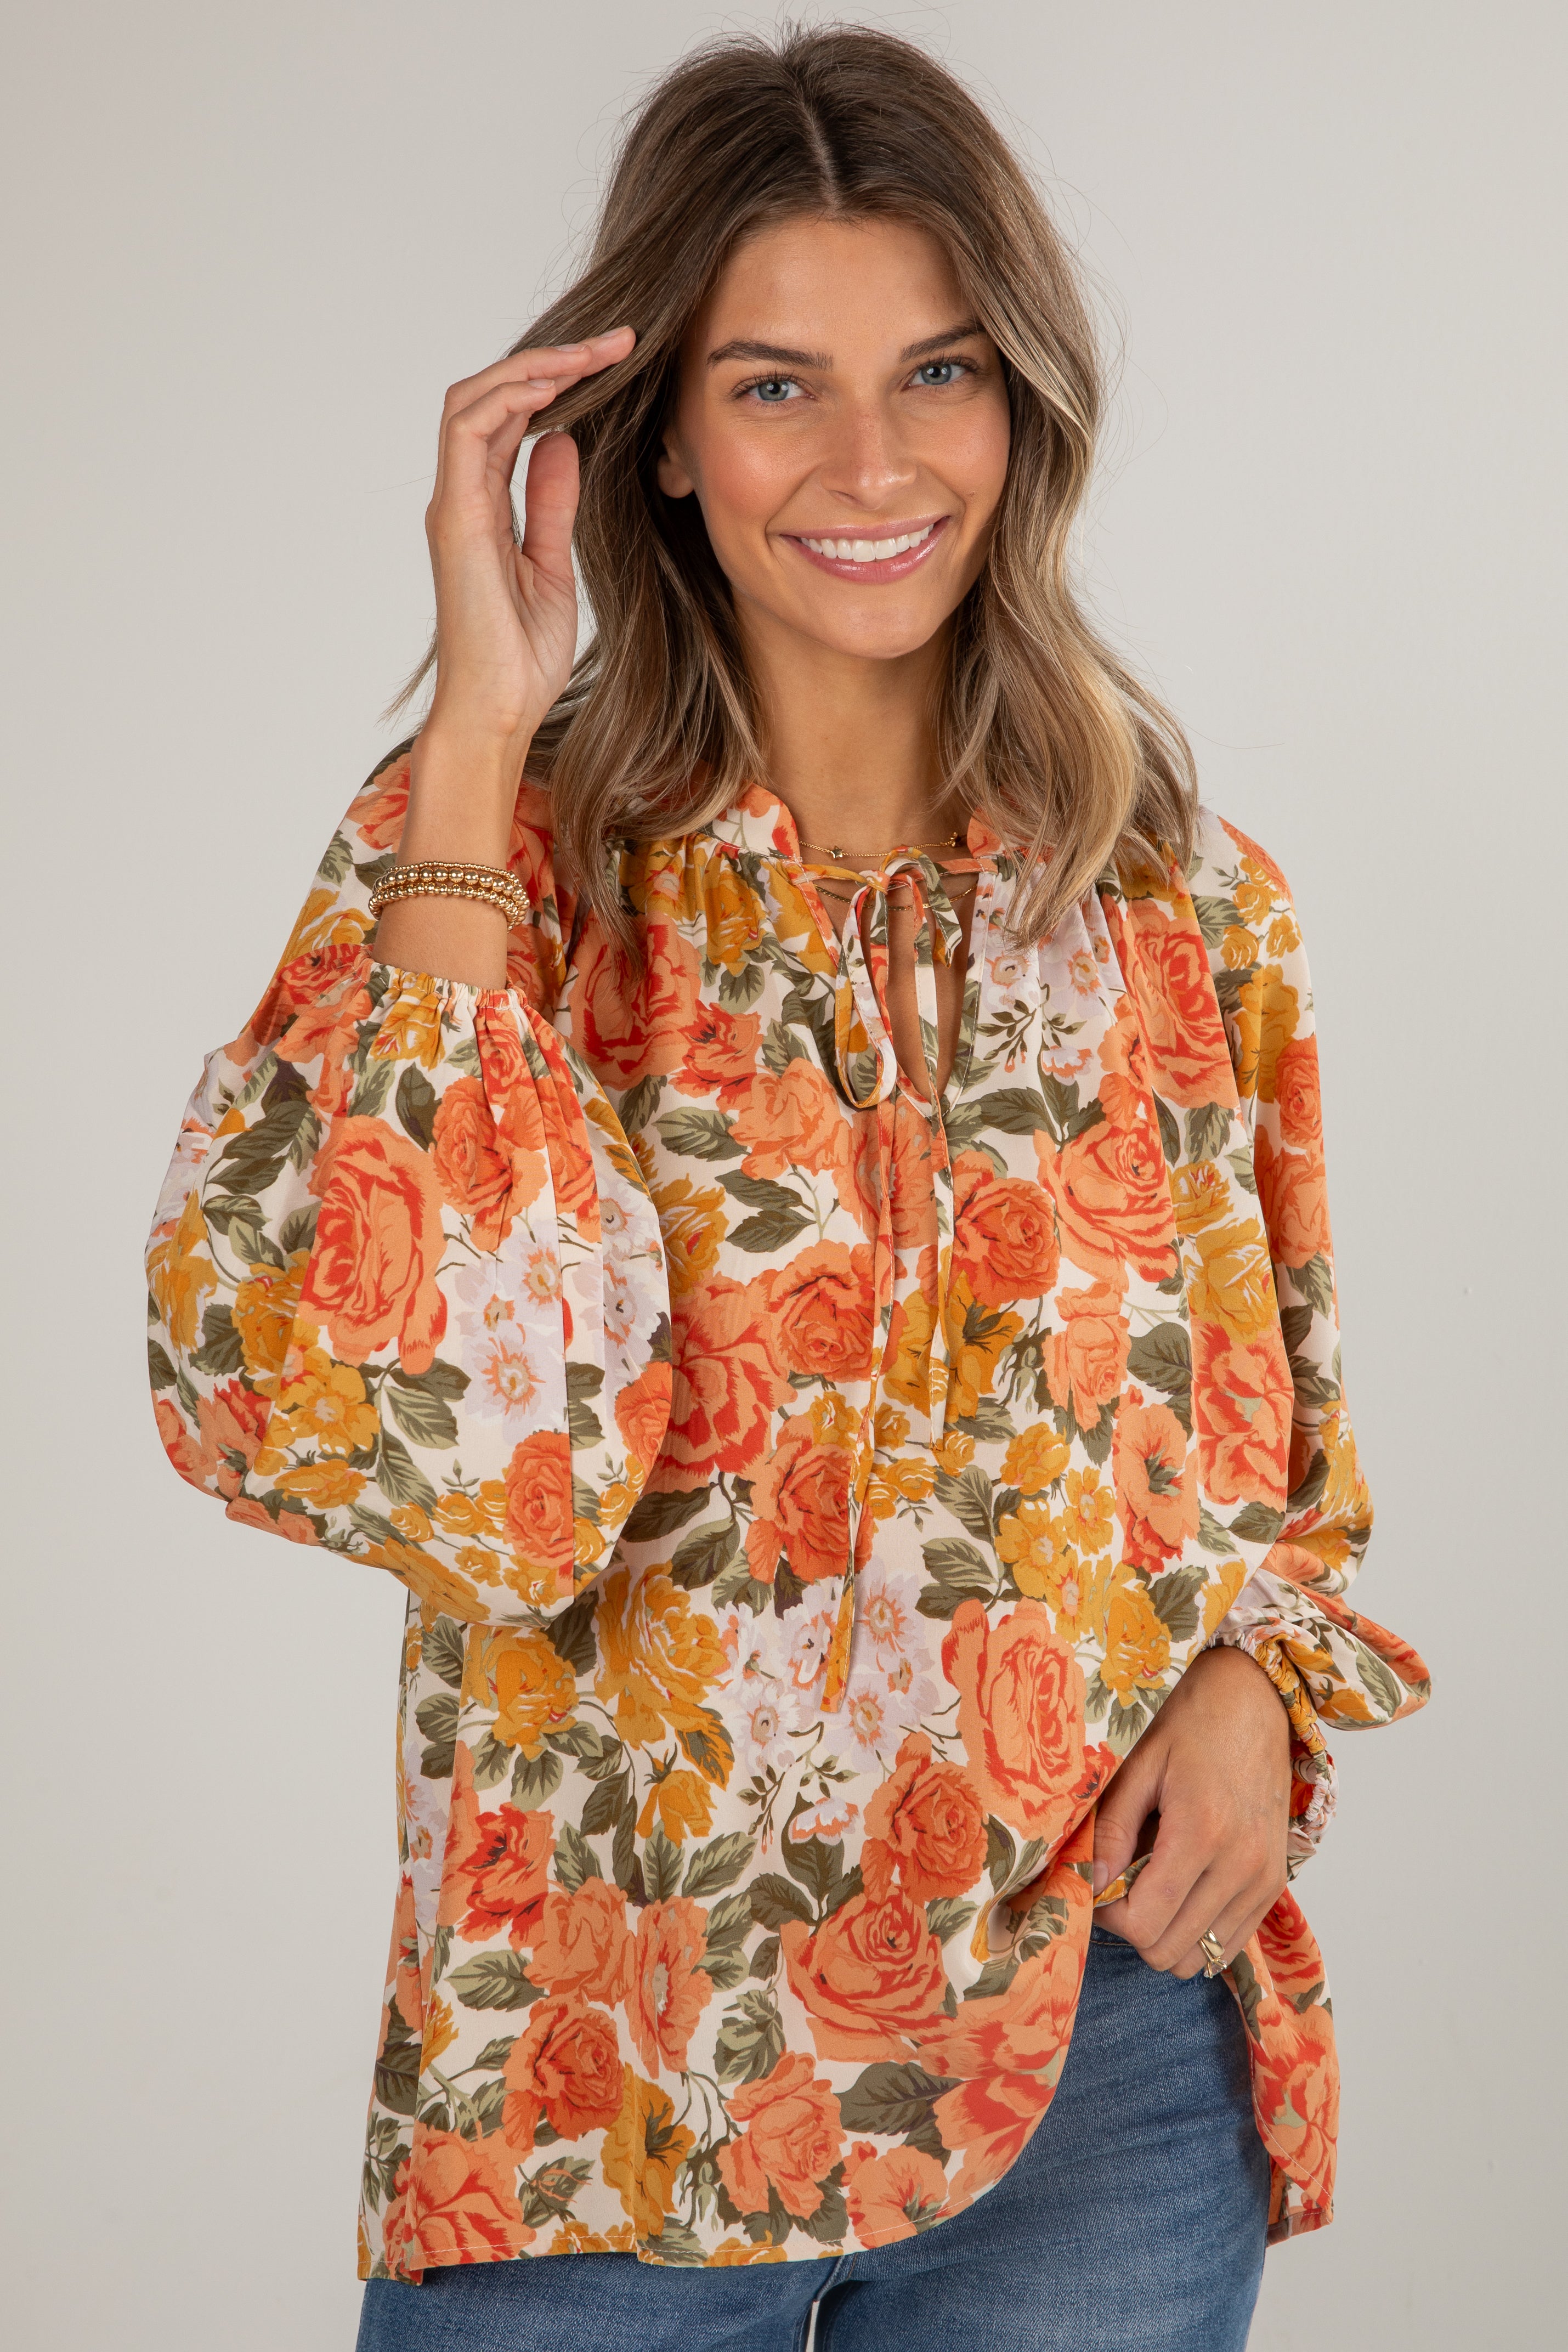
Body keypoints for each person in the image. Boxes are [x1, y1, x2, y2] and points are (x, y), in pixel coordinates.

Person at [145, 25, 1430, 2352]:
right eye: (772, 386)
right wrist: (474, 716)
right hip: (593, 2071)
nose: (869, 459)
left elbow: (1274, 1448)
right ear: (650, 440)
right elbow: (424, 1454)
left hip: (1096, 2064)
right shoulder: (487, 864)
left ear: (1018, 406)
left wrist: (1258, 1675)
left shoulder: (1176, 898)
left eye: (936, 370)